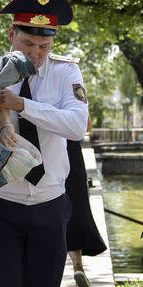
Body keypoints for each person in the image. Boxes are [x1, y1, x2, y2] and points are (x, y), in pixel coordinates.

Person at [0, 0, 89, 287]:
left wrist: (22, 105)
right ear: (11, 34)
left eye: (44, 46)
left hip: (49, 204)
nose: (35, 54)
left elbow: (77, 126)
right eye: (27, 44)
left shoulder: (67, 72)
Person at [66, 116, 106, 287]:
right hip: (70, 153)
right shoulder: (71, 89)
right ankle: (77, 266)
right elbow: (87, 125)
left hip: (41, 151)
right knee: (76, 211)